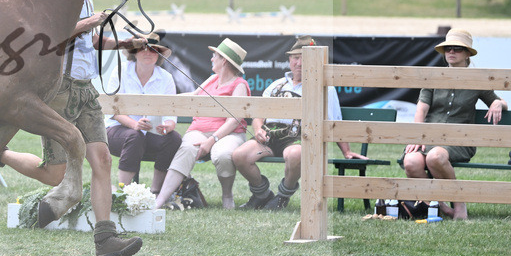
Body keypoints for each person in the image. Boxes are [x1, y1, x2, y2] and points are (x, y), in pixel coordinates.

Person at [0, 0, 149, 256]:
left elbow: (90, 41)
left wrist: (126, 43)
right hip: (60, 90)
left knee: (103, 160)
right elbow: (47, 39)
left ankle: (105, 238)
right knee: (54, 175)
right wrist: (87, 22)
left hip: (87, 90)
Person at [232, 36, 366, 211]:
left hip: (299, 139)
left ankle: (282, 196)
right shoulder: (276, 85)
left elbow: (334, 121)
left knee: (295, 155)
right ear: (289, 61)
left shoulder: (325, 87)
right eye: (296, 58)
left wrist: (346, 151)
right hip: (269, 138)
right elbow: (258, 115)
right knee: (239, 155)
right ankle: (262, 195)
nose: (300, 63)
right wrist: (258, 130)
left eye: (305, 58)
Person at [400, 29, 507, 220]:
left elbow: (498, 101)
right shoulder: (433, 76)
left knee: (435, 157)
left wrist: (498, 103)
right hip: (429, 136)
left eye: (457, 48)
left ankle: (459, 203)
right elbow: (421, 110)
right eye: (448, 48)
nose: (451, 52)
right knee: (411, 162)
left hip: (459, 140)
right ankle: (437, 205)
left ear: (467, 54)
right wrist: (418, 136)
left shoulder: (478, 79)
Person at [152, 38, 251, 210]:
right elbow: (194, 95)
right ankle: (159, 200)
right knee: (187, 148)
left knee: (222, 154)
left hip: (230, 134)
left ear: (224, 61)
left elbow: (234, 120)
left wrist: (211, 140)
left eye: (215, 56)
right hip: (199, 129)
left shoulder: (240, 85)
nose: (212, 59)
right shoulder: (212, 79)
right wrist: (165, 100)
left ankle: (227, 194)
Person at [104, 32, 182, 192]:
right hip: (117, 132)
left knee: (173, 138)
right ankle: (123, 191)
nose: (148, 52)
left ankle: (156, 192)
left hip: (151, 134)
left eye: (153, 50)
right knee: (134, 136)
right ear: (134, 53)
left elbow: (171, 111)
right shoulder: (120, 71)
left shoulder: (166, 78)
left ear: (159, 55)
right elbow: (113, 110)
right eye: (142, 49)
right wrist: (134, 124)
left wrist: (168, 125)